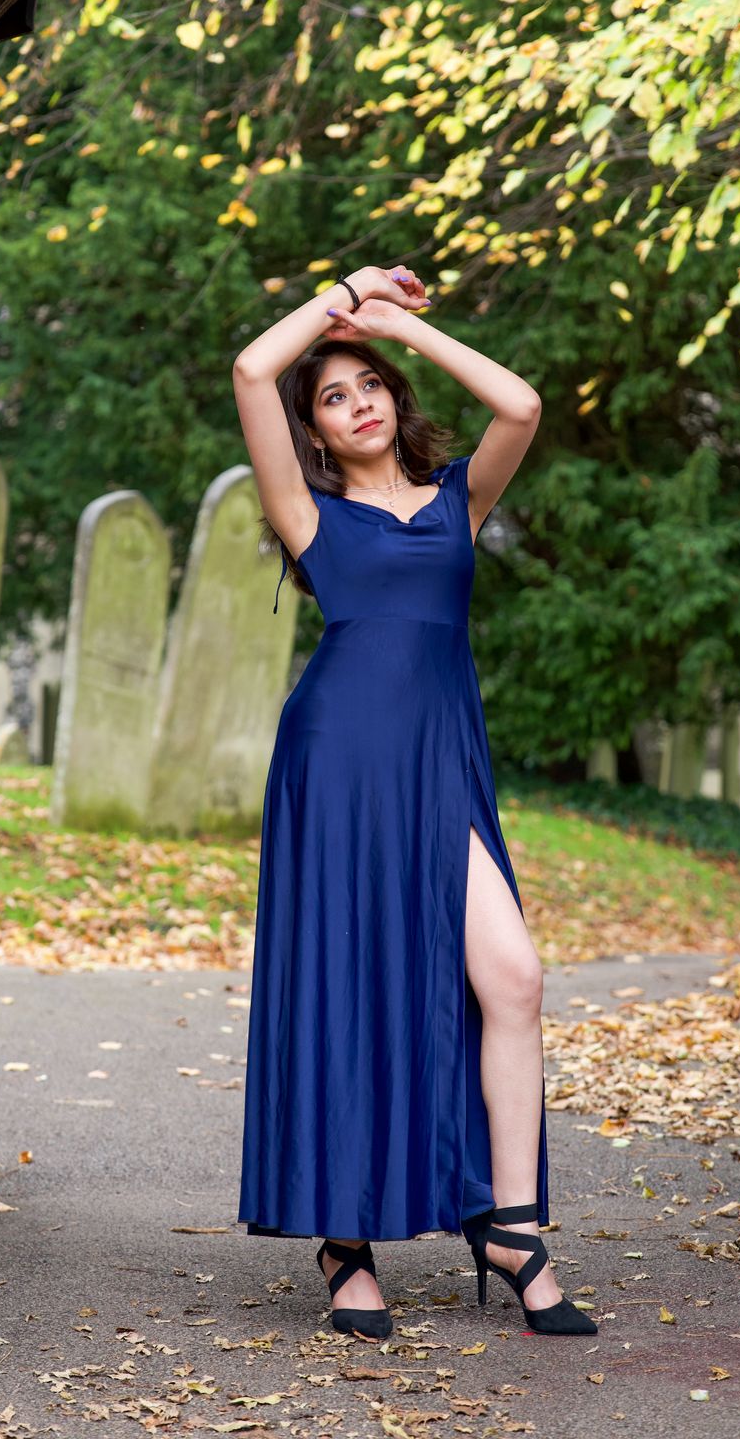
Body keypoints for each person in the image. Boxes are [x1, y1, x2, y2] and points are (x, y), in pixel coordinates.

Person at [232, 261, 597, 1342]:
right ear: (313, 431)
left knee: (513, 978)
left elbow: (520, 406)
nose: (358, 404)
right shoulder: (309, 516)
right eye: (333, 397)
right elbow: (252, 369)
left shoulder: (456, 504)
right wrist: (342, 294)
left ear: (395, 397)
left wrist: (401, 328)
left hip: (440, 766)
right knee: (347, 989)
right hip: (338, 766)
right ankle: (345, 1245)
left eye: (369, 386)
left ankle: (512, 1228)